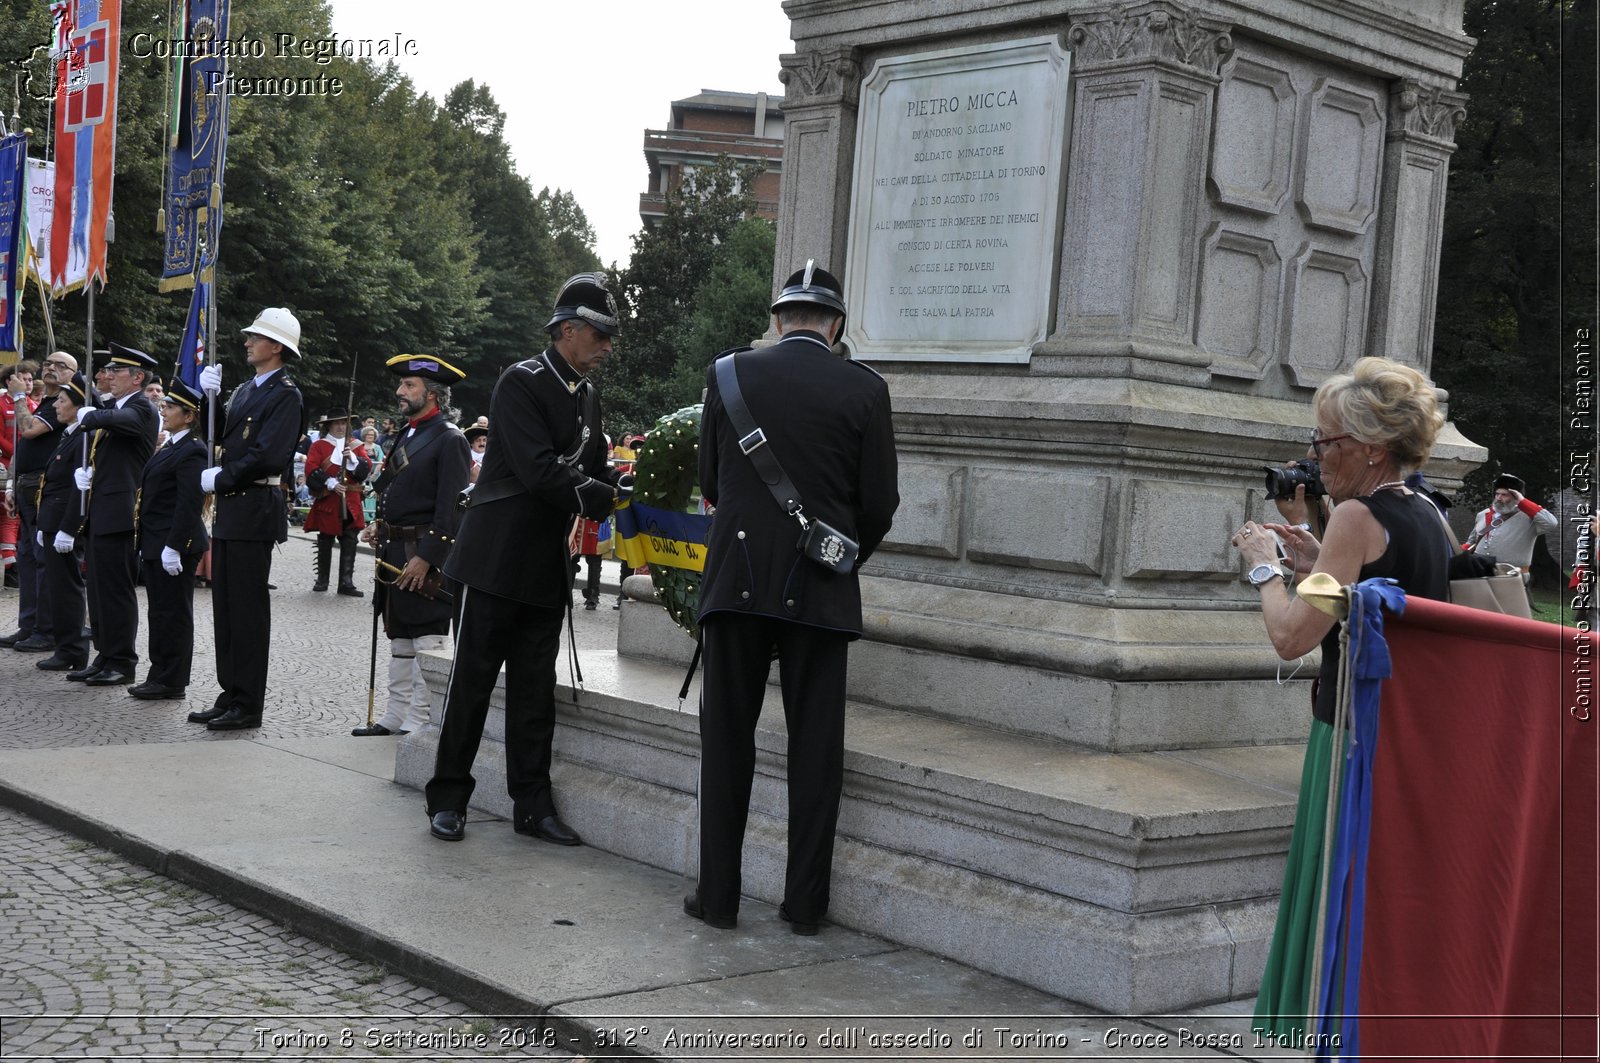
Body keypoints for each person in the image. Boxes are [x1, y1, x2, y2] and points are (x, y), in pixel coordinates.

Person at [1228, 356, 1454, 1045]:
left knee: (1335, 896)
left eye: (1326, 440)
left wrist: (1265, 564)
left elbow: (1293, 635)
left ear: (1372, 445)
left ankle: (1328, 1037)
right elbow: (1373, 592)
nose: (1314, 454)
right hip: (1403, 736)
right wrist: (1319, 559)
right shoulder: (1428, 512)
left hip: (1350, 737)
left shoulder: (1356, 515)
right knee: (1369, 902)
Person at [684, 261, 900, 936]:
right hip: (821, 585)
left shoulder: (728, 373)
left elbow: (711, 481)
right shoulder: (866, 389)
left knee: (726, 743)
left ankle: (718, 895)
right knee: (815, 751)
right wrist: (836, 552)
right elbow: (879, 502)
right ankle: (805, 903)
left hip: (736, 580)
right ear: (836, 325)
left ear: (779, 319)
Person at [424, 273, 623, 844]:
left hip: (543, 564)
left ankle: (532, 806)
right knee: (473, 684)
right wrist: (600, 494)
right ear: (567, 330)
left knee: (535, 694)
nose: (607, 345)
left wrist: (627, 480)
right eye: (600, 333)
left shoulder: (587, 394)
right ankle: (449, 798)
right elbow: (539, 470)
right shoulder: (522, 382)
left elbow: (593, 463)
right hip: (495, 558)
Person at [191, 307, 307, 731]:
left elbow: (269, 456)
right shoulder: (245, 388)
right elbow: (221, 434)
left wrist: (221, 477)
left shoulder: (286, 394)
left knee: (247, 612)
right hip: (234, 510)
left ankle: (248, 703)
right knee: (226, 609)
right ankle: (230, 692)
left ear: (276, 347)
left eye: (255, 337)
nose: (247, 342)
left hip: (255, 508)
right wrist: (211, 400)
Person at [353, 354, 471, 738]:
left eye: (409, 386)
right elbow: (400, 490)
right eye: (402, 385)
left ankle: (419, 720)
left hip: (423, 555)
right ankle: (394, 715)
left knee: (427, 640)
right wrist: (378, 524)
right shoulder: (408, 433)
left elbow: (451, 509)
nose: (399, 391)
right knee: (400, 637)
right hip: (396, 548)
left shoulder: (450, 439)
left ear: (433, 395)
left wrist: (427, 558)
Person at [68, 344, 161, 686]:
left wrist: (90, 413)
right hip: (102, 509)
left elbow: (116, 420)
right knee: (98, 589)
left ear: (137, 377)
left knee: (116, 590)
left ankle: (122, 661)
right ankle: (105, 654)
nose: (107, 376)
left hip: (121, 513)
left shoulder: (142, 408)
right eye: (107, 371)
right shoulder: (119, 406)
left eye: (115, 371)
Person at [128, 378, 210, 700]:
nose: (163, 410)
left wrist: (174, 546)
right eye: (164, 405)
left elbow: (189, 502)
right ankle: (158, 673)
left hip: (174, 544)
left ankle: (172, 679)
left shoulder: (193, 450)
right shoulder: (173, 445)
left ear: (189, 416)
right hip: (156, 541)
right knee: (160, 612)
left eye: (170, 407)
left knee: (173, 613)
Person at [3, 352, 75, 653]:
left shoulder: (65, 403)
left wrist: (19, 396)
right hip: (27, 484)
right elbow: (25, 444)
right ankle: (29, 625)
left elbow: (29, 428)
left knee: (44, 560)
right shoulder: (47, 401)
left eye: (61, 366)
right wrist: (11, 483)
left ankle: (47, 630)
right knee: (29, 558)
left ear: (73, 373)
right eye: (48, 364)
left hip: (47, 488)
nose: (51, 368)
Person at [32, 373, 95, 674]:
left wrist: (69, 529)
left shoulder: (83, 437)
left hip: (63, 525)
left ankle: (73, 649)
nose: (56, 404)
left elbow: (78, 490)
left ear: (78, 405)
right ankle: (66, 646)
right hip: (52, 522)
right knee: (58, 588)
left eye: (62, 400)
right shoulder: (71, 434)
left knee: (68, 589)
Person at [303, 408, 372, 596]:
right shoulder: (319, 446)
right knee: (325, 539)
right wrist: (330, 482)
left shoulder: (355, 445)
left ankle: (346, 583)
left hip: (351, 499)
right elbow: (311, 468)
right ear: (329, 426)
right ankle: (322, 580)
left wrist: (354, 460)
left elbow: (366, 468)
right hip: (329, 499)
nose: (341, 427)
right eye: (337, 423)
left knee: (350, 540)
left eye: (344, 423)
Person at [1464, 473, 1558, 583]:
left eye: (1504, 495)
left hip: (1511, 576)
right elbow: (1471, 542)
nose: (1499, 498)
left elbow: (1551, 523)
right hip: (1478, 573)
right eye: (1497, 494)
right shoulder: (1483, 514)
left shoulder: (1530, 517)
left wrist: (1523, 501)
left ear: (1516, 497)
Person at [0, 361, 37, 585]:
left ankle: (15, 567)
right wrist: (17, 452)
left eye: (31, 379)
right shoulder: (1, 404)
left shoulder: (32, 404)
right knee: (9, 519)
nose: (29, 383)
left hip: (24, 466)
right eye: (24, 379)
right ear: (10, 381)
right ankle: (12, 568)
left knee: (17, 520)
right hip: (6, 465)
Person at [463, 417, 487, 485]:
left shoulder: (492, 457)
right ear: (471, 443)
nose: (482, 443)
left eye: (484, 440)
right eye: (478, 440)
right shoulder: (466, 457)